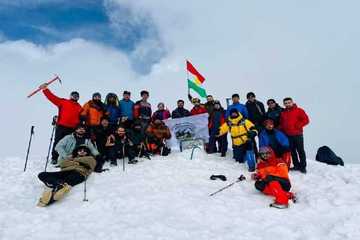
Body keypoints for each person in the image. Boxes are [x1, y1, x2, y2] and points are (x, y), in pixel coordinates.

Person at [39, 83, 83, 164]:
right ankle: (54, 158)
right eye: (74, 95)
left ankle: (67, 158)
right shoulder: (63, 102)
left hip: (72, 128)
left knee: (70, 143)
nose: (75, 97)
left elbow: (82, 117)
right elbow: (52, 98)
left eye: (77, 96)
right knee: (58, 142)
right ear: (70, 96)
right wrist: (45, 89)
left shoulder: (79, 107)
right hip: (61, 126)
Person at [279, 98, 310, 173]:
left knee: (300, 151)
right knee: (292, 151)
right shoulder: (283, 113)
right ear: (284, 104)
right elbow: (282, 123)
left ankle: (303, 166)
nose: (287, 104)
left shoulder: (299, 110)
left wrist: (298, 125)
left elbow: (306, 120)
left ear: (292, 102)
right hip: (288, 135)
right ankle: (296, 165)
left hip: (298, 134)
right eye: (286, 103)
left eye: (289, 102)